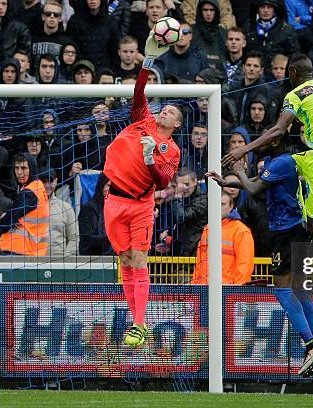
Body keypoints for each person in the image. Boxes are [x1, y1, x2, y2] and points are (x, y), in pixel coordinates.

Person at [209, 136, 313, 377]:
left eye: (266, 138)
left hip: (286, 230)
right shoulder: (283, 163)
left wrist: (238, 170)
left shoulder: (281, 161)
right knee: (298, 288)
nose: (259, 142)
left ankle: (311, 344)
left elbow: (255, 188)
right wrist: (227, 181)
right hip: (297, 227)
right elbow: (258, 181)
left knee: (282, 289)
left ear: (276, 141)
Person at [223, 53, 313, 261]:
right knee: (285, 165)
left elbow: (277, 130)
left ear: (292, 72)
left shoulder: (296, 94)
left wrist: (243, 150)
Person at [103, 34, 182, 349]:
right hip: (114, 200)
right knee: (125, 260)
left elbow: (163, 182)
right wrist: (147, 63)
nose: (165, 113)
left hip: (140, 204)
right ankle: (136, 321)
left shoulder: (172, 150)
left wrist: (150, 159)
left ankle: (139, 323)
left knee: (139, 259)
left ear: (177, 124)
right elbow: (138, 92)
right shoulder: (143, 121)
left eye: (172, 113)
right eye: (165, 109)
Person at [192, 191, 255, 284]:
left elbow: (245, 265)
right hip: (204, 287)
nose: (218, 207)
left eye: (222, 204)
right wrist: (195, 284)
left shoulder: (241, 230)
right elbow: (200, 262)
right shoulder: (208, 228)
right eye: (216, 204)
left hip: (228, 289)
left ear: (231, 207)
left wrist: (238, 292)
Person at [0, 152, 50, 256]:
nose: (19, 172)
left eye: (23, 168)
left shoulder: (29, 192)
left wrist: (1, 220)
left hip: (20, 250)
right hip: (33, 250)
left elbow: (7, 221)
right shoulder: (38, 186)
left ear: (32, 168)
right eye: (16, 168)